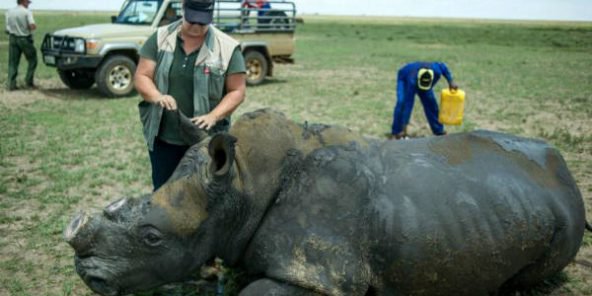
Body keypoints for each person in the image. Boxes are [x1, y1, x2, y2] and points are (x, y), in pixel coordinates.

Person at [134, 0, 247, 191]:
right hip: (165, 139)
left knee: (206, 195)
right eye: (192, 20)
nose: (196, 26)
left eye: (202, 22)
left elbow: (237, 91)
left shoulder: (227, 48)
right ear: (183, 8)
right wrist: (157, 96)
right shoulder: (160, 38)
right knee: (164, 193)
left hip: (206, 142)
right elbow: (142, 75)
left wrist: (213, 116)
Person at [390, 61, 458, 140]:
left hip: (424, 84)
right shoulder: (411, 81)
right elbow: (408, 105)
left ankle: (438, 131)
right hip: (405, 77)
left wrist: (450, 81)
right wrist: (404, 126)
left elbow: (443, 67)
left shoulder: (436, 70)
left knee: (431, 104)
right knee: (402, 103)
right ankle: (398, 131)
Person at [5, 0, 37, 91]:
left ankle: (11, 84)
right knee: (32, 59)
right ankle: (28, 81)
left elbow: (7, 28)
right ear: (23, 2)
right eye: (28, 2)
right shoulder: (27, 12)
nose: (28, 4)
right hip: (24, 39)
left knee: (12, 62)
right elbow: (32, 26)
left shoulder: (9, 11)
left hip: (12, 38)